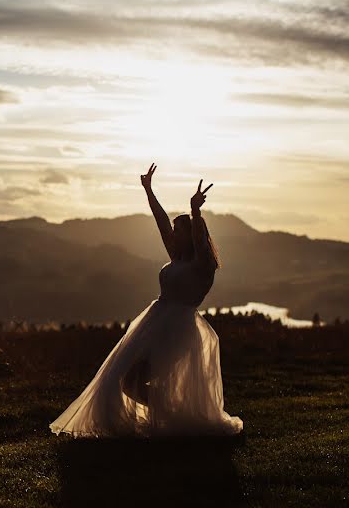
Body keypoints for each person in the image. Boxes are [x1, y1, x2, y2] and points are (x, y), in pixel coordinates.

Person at [50, 163, 242, 436]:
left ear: (191, 235)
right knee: (127, 379)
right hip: (156, 322)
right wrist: (149, 190)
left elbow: (199, 240)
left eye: (179, 231)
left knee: (132, 380)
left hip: (178, 329)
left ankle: (173, 417)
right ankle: (172, 415)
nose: (173, 235)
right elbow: (162, 223)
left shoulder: (202, 265)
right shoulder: (178, 257)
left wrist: (196, 212)